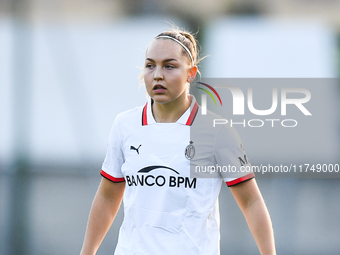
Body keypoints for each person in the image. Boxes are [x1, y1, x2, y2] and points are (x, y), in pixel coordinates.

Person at [80, 28, 276, 255]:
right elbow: (108, 195)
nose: (157, 75)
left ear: (191, 73)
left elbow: (251, 202)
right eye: (150, 65)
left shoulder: (216, 131)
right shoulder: (125, 125)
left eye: (169, 66)